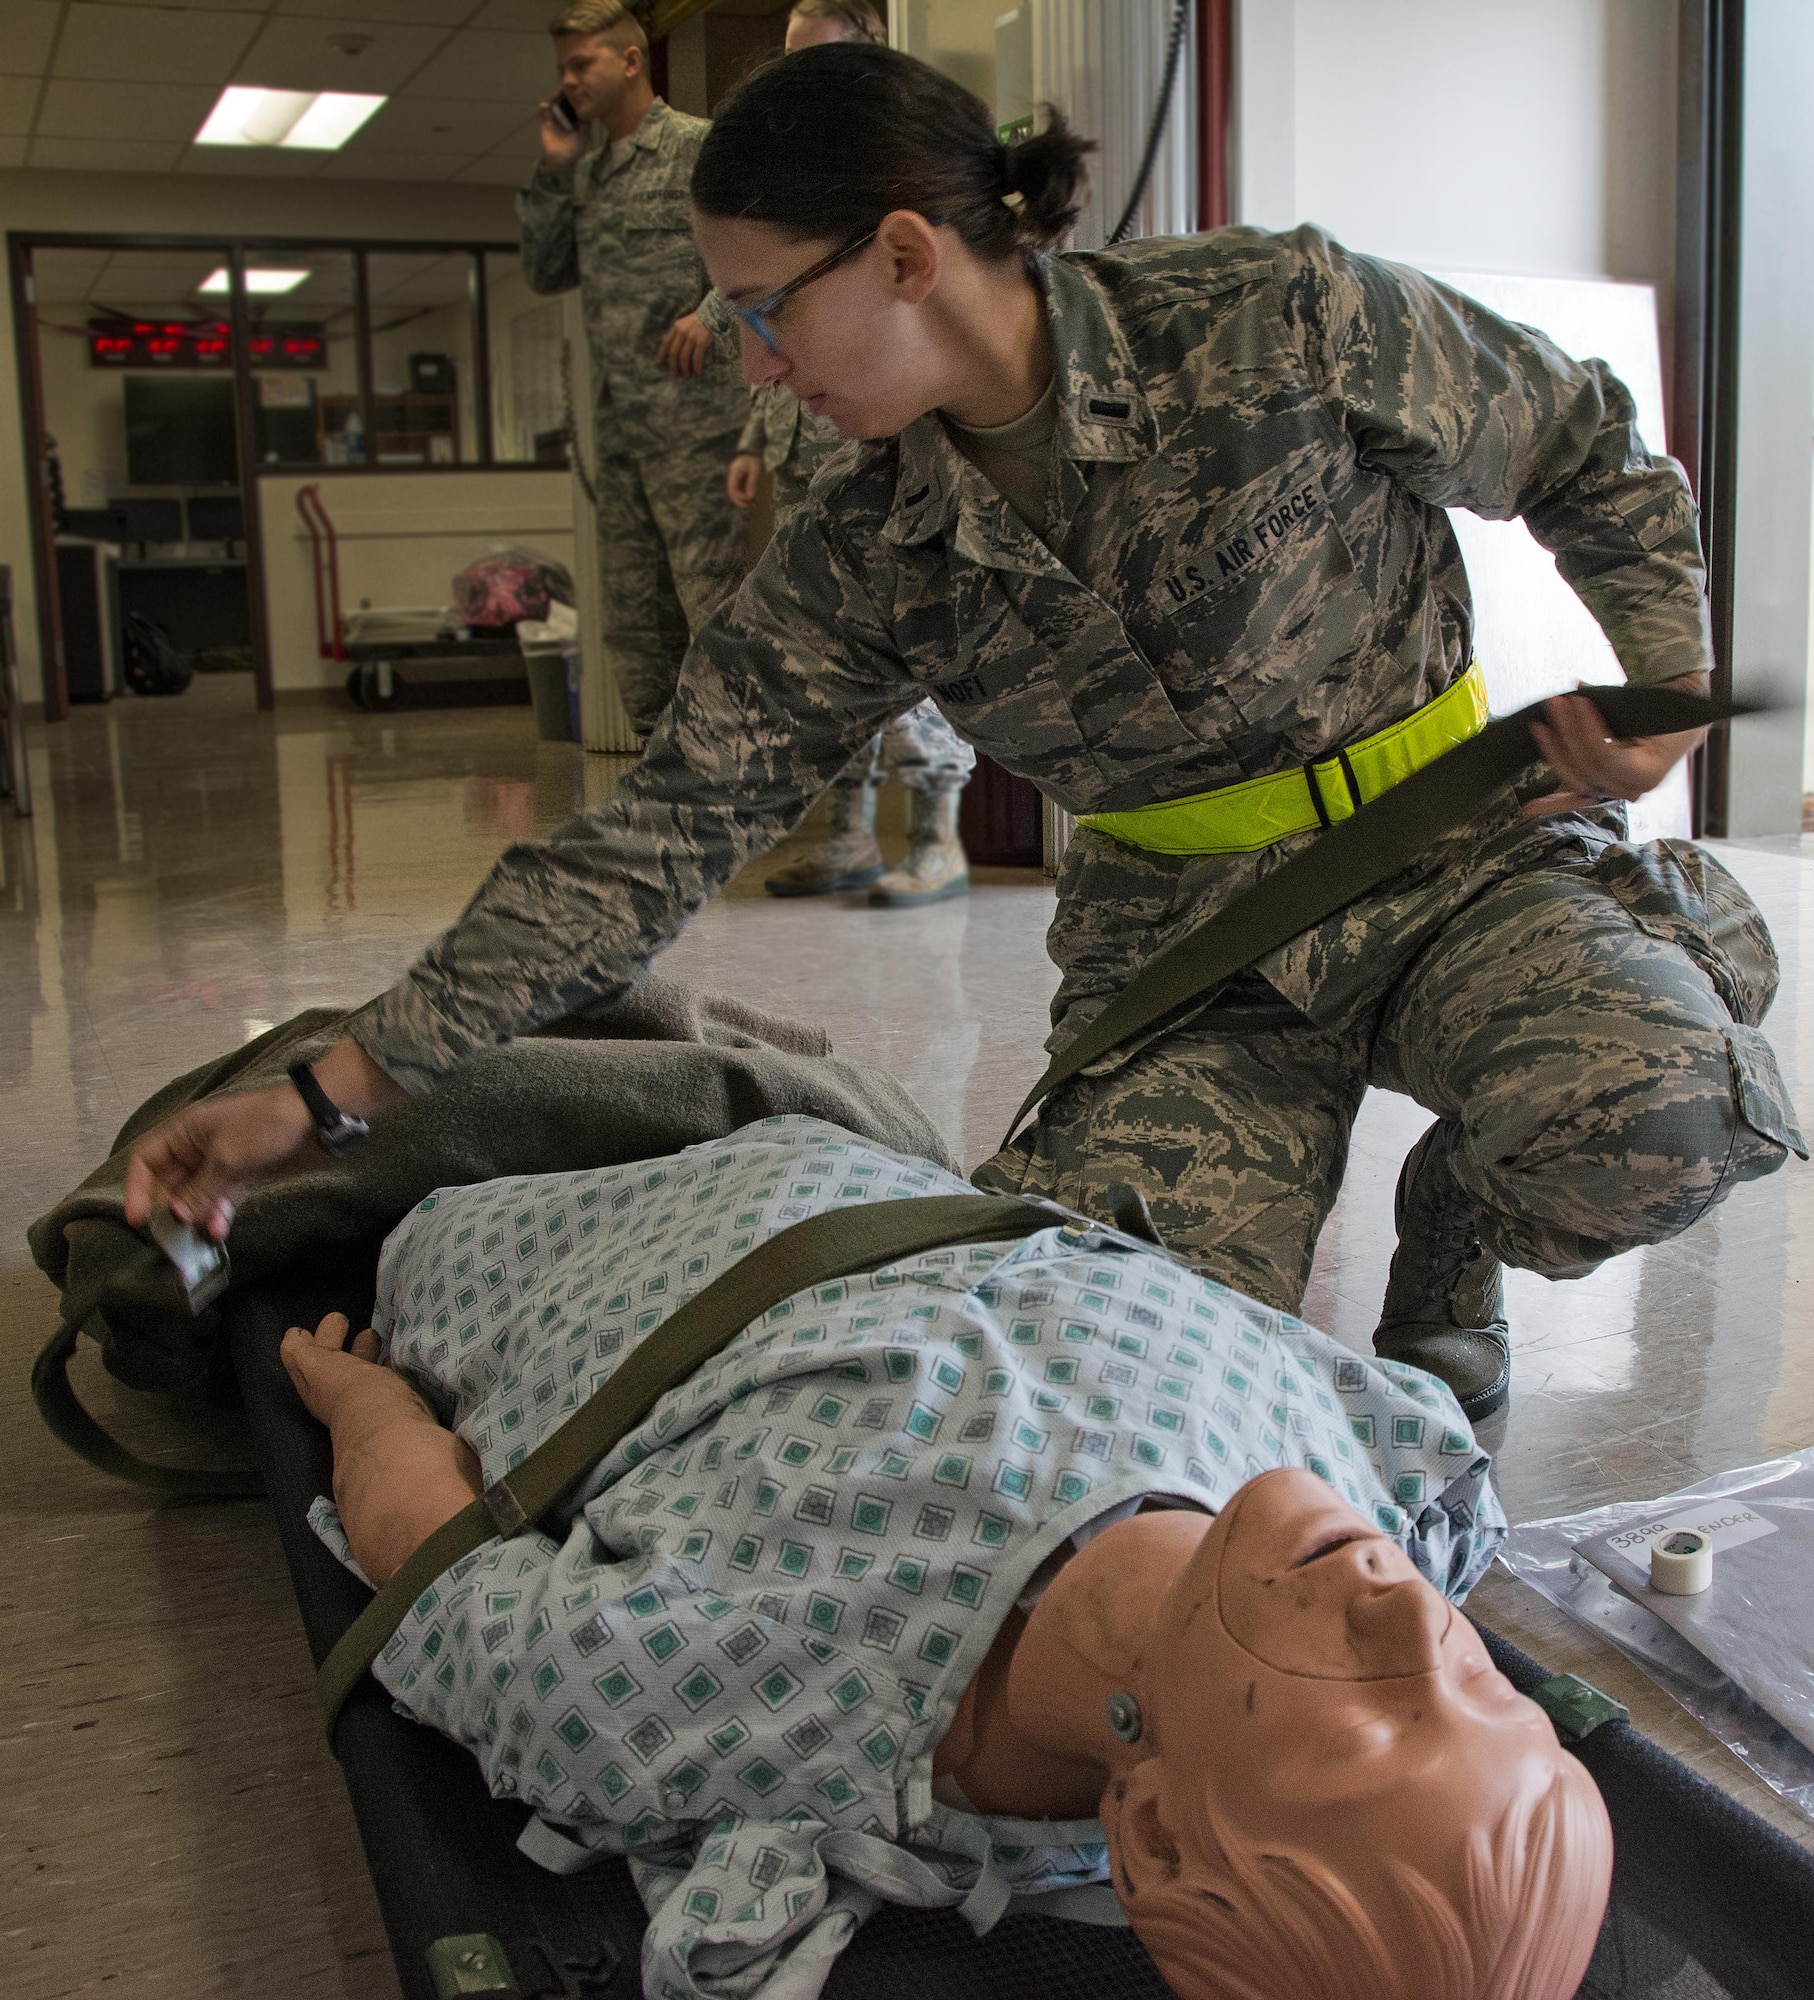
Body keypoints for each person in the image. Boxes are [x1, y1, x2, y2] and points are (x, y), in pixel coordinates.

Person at [127, 46, 1803, 1430]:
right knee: (1093, 1386)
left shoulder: (1267, 319)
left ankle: (1452, 1230)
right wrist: (328, 1094)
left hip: (1456, 856)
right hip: (1189, 958)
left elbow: (1585, 445)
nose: (754, 365)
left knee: (1652, 1117)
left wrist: (1657, 674)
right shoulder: (861, 558)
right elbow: (641, 847)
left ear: (905, 256)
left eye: (767, 310)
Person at [283, 1115, 1611, 2000]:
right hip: (886, 1168)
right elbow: (1417, 1442)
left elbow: (443, 1586)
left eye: (1371, 1731)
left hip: (605, 1225)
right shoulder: (1377, 1497)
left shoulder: (771, 1698)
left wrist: (370, 1414)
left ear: (1146, 1825)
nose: (1406, 1626)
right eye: (1481, 1691)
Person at [727, 0, 978, 908]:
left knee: (909, 650)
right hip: (807, 442)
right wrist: (760, 437)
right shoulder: (779, 186)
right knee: (824, 652)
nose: (801, 84)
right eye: (791, 64)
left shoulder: (899, 168)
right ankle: (845, 838)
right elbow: (767, 322)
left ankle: (938, 840)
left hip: (893, 438)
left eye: (821, 61)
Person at [523, 0, 749, 739]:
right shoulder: (586, 176)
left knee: (711, 605)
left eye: (581, 63)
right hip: (618, 428)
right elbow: (544, 269)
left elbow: (762, 254)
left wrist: (708, 314)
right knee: (632, 615)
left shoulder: (699, 149)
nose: (569, 81)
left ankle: (734, 769)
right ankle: (663, 764)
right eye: (563, 68)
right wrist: (555, 170)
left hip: (696, 427)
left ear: (629, 60)